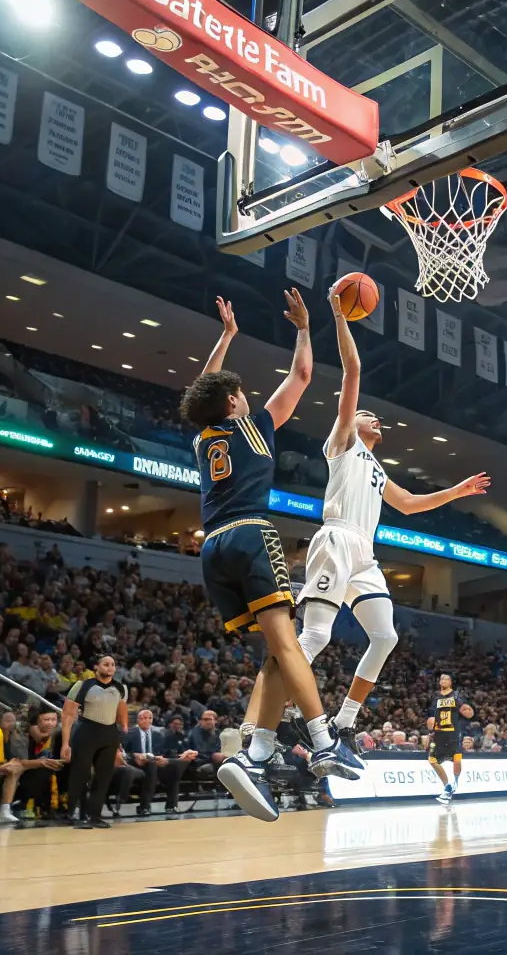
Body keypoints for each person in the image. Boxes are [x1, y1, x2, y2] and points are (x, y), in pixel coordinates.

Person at [281, 287, 489, 762]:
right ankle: (282, 705)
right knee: (316, 636)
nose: (375, 417)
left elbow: (411, 504)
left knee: (386, 636)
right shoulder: (342, 442)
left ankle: (344, 722)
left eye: (373, 416)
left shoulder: (377, 470)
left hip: (365, 555)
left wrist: (456, 492)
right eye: (366, 413)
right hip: (335, 539)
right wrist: (338, 315)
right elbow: (352, 371)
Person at [180, 292, 357, 824]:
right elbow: (302, 375)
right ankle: (324, 740)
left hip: (212, 546)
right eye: (239, 392)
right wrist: (304, 328)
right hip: (252, 533)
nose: (245, 395)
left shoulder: (203, 438)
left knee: (275, 653)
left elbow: (201, 393)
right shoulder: (252, 426)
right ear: (234, 402)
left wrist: (228, 338)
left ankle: (255, 755)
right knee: (289, 641)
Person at [61, 654, 128, 829]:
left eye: (113, 664)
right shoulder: (82, 685)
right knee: (80, 774)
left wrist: (121, 739)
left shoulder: (121, 688)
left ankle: (95, 816)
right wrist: (65, 743)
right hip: (87, 731)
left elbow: (121, 714)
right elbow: (68, 715)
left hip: (110, 733)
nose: (110, 667)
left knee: (104, 776)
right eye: (106, 664)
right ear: (96, 667)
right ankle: (75, 814)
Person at [124, 707, 188, 816]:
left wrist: (163, 759)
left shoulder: (158, 735)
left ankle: (171, 806)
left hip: (155, 763)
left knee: (175, 766)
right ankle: (144, 807)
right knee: (151, 765)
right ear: (138, 720)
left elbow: (163, 752)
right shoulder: (129, 733)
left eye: (149, 718)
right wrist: (135, 755)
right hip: (137, 764)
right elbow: (124, 753)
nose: (146, 720)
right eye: (143, 718)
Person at [426, 673, 474, 804]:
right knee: (432, 760)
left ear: (451, 682)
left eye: (446, 679)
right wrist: (431, 728)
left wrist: (468, 712)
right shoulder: (435, 696)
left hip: (452, 734)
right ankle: (447, 786)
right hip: (438, 734)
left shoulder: (456, 696)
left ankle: (455, 782)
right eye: (441, 678)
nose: (443, 680)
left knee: (457, 761)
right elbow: (432, 715)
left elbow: (466, 711)